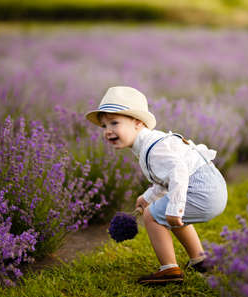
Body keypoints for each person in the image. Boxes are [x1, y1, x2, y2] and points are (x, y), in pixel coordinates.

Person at [85, 86, 227, 285]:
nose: (108, 131)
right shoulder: (151, 144)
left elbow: (179, 172)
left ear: (138, 123)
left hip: (203, 191)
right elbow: (167, 179)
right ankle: (200, 260)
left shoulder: (154, 149)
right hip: (212, 189)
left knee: (153, 215)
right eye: (104, 126)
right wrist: (148, 197)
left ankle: (169, 270)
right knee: (169, 214)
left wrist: (175, 207)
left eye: (114, 123)